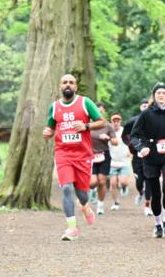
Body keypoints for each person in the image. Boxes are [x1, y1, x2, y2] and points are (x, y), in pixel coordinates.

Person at [42, 74, 106, 241]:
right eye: (65, 82)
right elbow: (49, 127)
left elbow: (102, 122)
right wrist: (47, 132)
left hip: (83, 155)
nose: (68, 85)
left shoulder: (85, 103)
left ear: (76, 87)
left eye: (71, 82)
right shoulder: (54, 107)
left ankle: (85, 206)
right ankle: (72, 228)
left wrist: (86, 125)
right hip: (63, 153)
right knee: (66, 188)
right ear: (60, 87)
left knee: (82, 194)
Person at [131, 83, 165, 239]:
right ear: (154, 96)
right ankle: (158, 223)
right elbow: (135, 135)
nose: (161, 95)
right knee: (155, 192)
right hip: (151, 157)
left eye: (164, 93)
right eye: (158, 93)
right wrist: (141, 147)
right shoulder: (146, 114)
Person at [89, 102, 119, 214]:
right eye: (96, 111)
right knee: (92, 183)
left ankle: (100, 205)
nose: (98, 113)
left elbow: (116, 142)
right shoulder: (87, 124)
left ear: (103, 112)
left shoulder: (107, 125)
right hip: (90, 155)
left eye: (101, 111)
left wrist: (108, 138)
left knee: (102, 181)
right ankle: (91, 192)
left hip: (104, 155)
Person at [122, 99, 151, 215]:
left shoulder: (153, 120)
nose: (145, 107)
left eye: (146, 105)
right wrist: (131, 145)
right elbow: (124, 135)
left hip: (149, 155)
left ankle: (147, 205)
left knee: (149, 179)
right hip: (137, 155)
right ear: (140, 107)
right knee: (139, 181)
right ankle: (140, 192)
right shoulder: (133, 120)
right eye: (143, 105)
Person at [107, 112, 132, 209]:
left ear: (120, 121)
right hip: (112, 161)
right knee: (113, 183)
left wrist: (130, 151)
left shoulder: (124, 132)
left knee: (123, 182)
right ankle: (115, 203)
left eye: (118, 121)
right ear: (111, 121)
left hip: (124, 161)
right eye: (114, 121)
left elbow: (130, 142)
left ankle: (124, 187)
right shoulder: (108, 132)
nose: (116, 123)